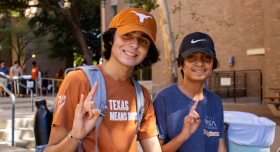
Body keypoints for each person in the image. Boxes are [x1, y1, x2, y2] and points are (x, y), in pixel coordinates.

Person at [45, 7, 163, 152]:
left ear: (147, 53)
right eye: (127, 35)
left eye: (143, 40)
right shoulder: (79, 81)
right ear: (110, 39)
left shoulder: (142, 96)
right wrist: (75, 136)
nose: (134, 44)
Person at [153, 32, 227, 152]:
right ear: (179, 64)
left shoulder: (216, 101)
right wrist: (183, 136)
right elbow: (155, 150)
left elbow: (221, 147)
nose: (200, 63)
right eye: (191, 57)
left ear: (213, 64)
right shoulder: (164, 98)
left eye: (206, 57)